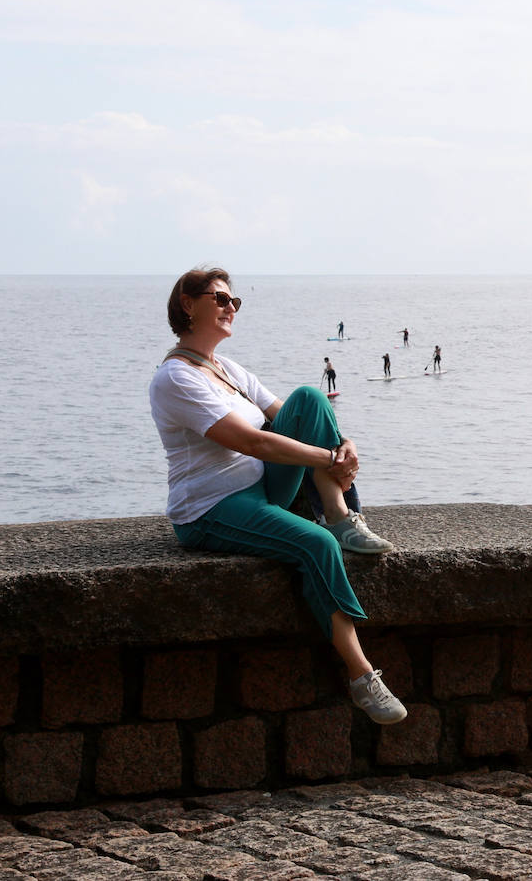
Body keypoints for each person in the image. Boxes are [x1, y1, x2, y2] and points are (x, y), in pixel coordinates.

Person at [149, 266, 406, 724]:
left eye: (234, 301)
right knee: (315, 545)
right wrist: (330, 457)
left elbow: (296, 418)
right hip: (212, 507)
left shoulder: (228, 370)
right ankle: (361, 675)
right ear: (188, 304)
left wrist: (343, 443)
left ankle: (340, 516)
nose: (231, 307)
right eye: (220, 298)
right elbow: (254, 442)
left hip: (263, 485)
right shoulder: (175, 378)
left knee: (310, 397)